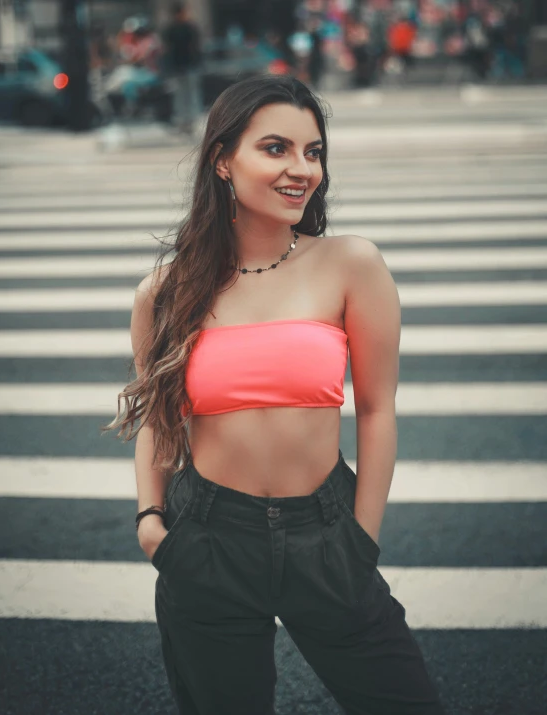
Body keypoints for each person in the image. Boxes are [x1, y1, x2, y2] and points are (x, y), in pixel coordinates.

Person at [104, 75, 446, 715]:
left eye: (313, 152)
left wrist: (361, 540)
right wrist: (152, 524)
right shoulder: (166, 290)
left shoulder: (351, 264)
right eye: (277, 148)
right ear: (223, 160)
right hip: (206, 537)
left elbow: (375, 409)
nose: (302, 169)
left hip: (325, 532)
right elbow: (158, 417)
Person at [161, 2, 202, 136]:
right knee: (183, 95)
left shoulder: (180, 28)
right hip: (182, 66)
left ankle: (189, 122)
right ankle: (185, 122)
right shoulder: (182, 28)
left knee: (187, 94)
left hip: (185, 66)